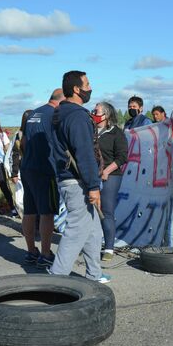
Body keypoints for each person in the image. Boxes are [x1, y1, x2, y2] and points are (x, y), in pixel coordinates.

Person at [48, 70, 111, 283]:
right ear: (77, 89)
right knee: (76, 230)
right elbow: (84, 153)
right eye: (87, 83)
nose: (90, 88)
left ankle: (94, 273)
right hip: (78, 182)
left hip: (69, 178)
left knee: (93, 229)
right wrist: (93, 186)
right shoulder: (77, 116)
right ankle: (56, 279)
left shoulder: (61, 113)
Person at [20, 89, 65, 267]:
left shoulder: (33, 114)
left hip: (28, 167)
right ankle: (46, 254)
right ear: (60, 102)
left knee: (29, 211)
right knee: (47, 213)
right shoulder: (54, 114)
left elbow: (22, 141)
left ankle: (31, 251)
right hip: (45, 168)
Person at [92, 101, 128, 262]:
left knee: (106, 211)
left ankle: (109, 247)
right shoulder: (90, 131)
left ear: (106, 115)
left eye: (97, 111)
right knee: (90, 210)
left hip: (110, 176)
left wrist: (106, 171)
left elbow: (122, 157)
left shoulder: (116, 133)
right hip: (92, 175)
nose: (94, 113)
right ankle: (91, 244)